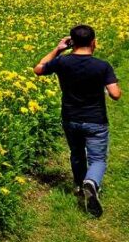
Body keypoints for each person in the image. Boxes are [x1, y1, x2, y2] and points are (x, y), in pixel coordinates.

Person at [35, 24, 121, 217]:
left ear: (71, 42)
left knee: (76, 153)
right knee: (98, 159)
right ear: (94, 42)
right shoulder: (102, 66)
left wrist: (58, 49)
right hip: (95, 120)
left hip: (70, 118)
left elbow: (38, 69)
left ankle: (80, 186)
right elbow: (115, 94)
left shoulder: (62, 62)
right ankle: (91, 182)